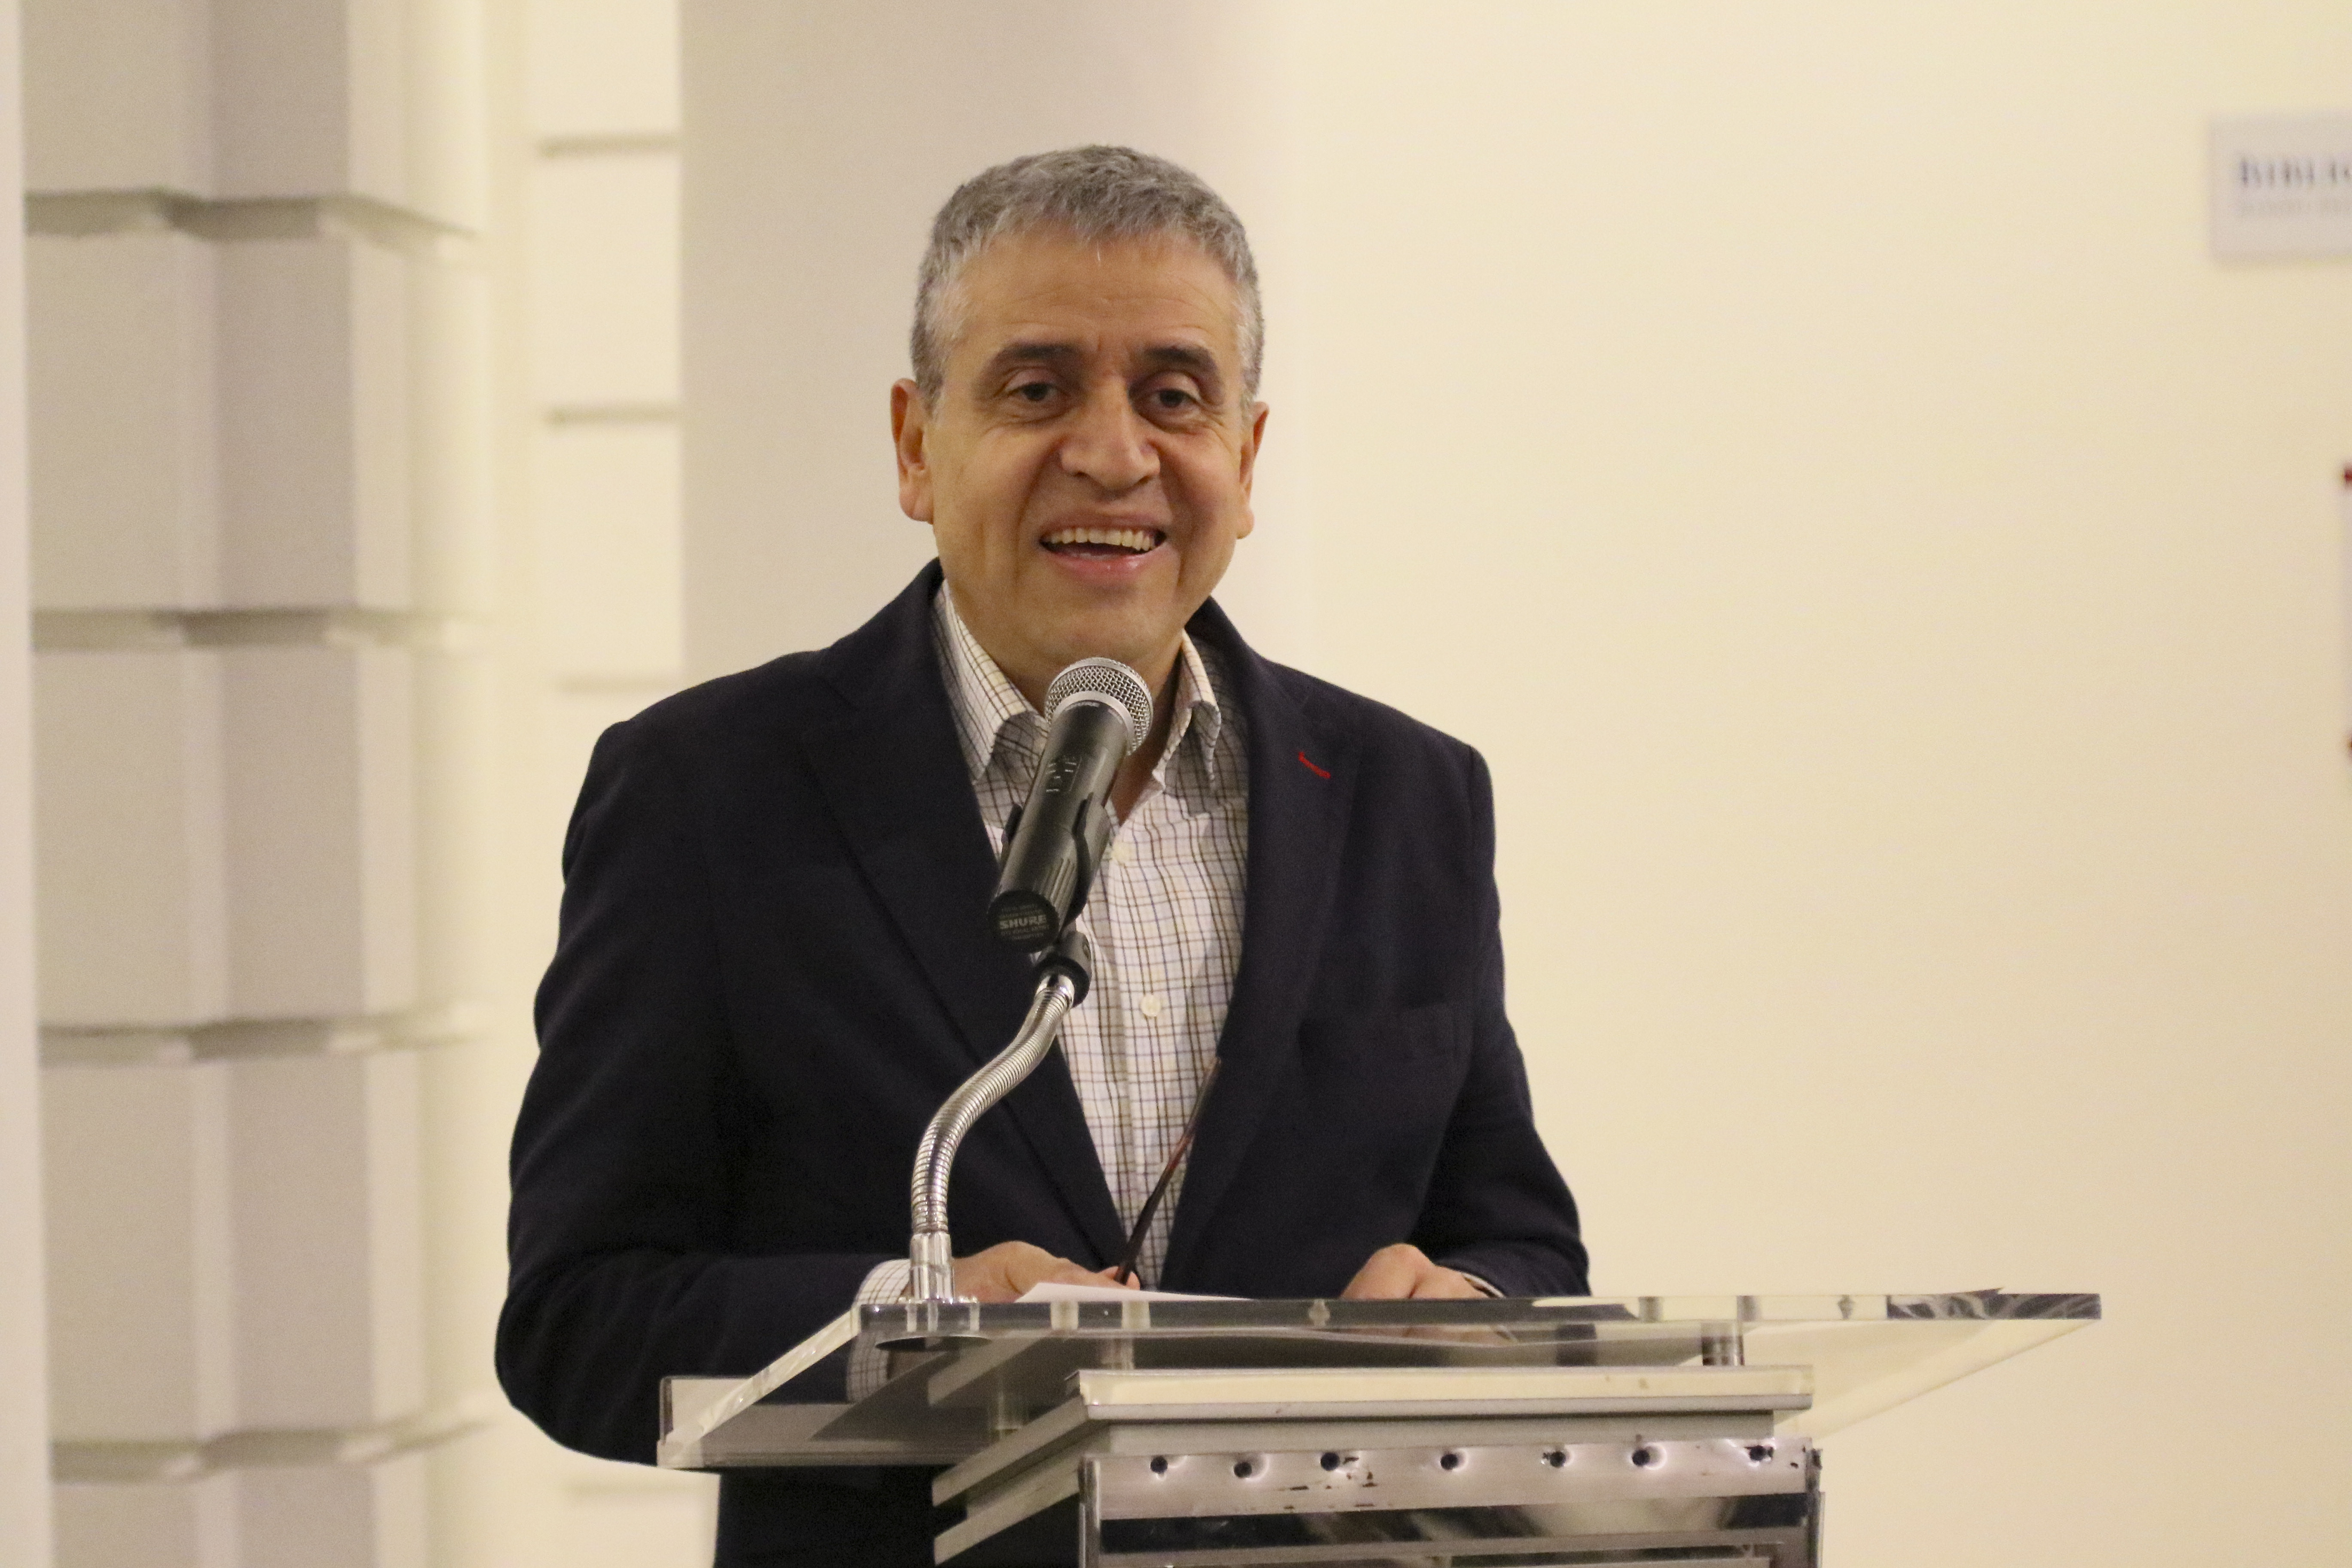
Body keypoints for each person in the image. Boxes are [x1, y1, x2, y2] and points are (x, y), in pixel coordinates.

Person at [498, 145, 1587, 1568]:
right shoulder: (708, 794)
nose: (1115, 453)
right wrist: (910, 1327)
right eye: (1037, 389)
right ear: (915, 445)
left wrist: (1469, 1307)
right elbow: (578, 1320)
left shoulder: (1409, 795)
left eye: (1175, 395)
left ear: (1247, 457)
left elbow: (1523, 1243)